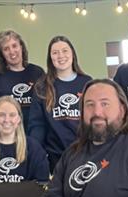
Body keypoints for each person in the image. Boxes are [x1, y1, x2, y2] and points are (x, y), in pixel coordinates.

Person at [28, 36, 92, 171]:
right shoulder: (42, 86)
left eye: (65, 51)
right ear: (50, 58)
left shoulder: (87, 83)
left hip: (85, 155)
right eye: (55, 52)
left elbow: (94, 120)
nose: (60, 56)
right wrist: (37, 154)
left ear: (72, 54)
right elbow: (37, 125)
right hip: (55, 158)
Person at [0, 96, 49, 184]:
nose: (7, 120)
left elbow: (42, 184)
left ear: (19, 119)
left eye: (12, 115)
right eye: (1, 115)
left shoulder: (34, 148)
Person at [0, 30, 44, 127]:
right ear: (1, 54)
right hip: (7, 132)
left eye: (14, 46)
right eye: (6, 49)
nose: (12, 51)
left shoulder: (37, 73)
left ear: (21, 47)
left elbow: (46, 106)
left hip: (35, 132)